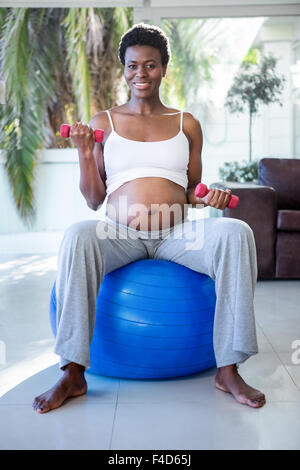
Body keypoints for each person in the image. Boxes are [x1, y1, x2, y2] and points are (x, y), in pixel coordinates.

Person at [33, 23, 266, 413]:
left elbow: (194, 191)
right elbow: (93, 199)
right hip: (118, 233)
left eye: (151, 65)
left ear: (163, 68)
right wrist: (83, 152)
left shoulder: (185, 123)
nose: (141, 74)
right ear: (123, 69)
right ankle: (73, 372)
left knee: (236, 233)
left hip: (178, 232)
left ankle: (228, 369)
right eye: (132, 65)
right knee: (77, 234)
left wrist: (213, 197)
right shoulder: (103, 120)